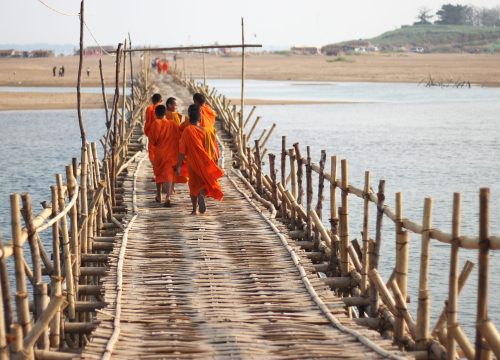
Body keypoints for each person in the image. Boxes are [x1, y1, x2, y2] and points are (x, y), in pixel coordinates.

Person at [177, 105, 223, 215]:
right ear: (200, 119)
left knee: (193, 185)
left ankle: (194, 210)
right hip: (206, 162)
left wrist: (179, 165)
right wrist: (215, 162)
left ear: (189, 118)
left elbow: (182, 150)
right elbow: (213, 148)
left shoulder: (187, 131)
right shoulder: (207, 131)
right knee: (204, 182)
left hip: (192, 163)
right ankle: (202, 193)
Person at [150, 105, 180, 206]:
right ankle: (168, 195)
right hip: (171, 152)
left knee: (159, 173)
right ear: (165, 113)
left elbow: (153, 140)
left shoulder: (155, 124)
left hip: (160, 152)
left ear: (156, 114)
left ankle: (159, 195)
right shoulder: (173, 123)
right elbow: (178, 136)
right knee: (169, 173)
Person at [165, 97, 188, 185]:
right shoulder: (172, 115)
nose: (177, 106)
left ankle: (168, 186)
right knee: (173, 165)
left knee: (167, 165)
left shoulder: (166, 114)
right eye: (175, 105)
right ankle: (170, 186)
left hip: (166, 143)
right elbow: (178, 129)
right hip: (173, 144)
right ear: (170, 105)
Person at [193, 93, 219, 161]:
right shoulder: (208, 109)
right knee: (211, 156)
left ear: (195, 101)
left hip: (201, 136)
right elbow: (213, 119)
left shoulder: (197, 111)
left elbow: (195, 123)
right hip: (210, 134)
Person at [144, 93, 163, 165]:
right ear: (161, 100)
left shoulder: (149, 109)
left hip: (151, 133)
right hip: (161, 133)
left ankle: (155, 166)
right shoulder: (161, 108)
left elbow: (147, 121)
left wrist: (147, 132)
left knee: (152, 152)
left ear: (152, 100)